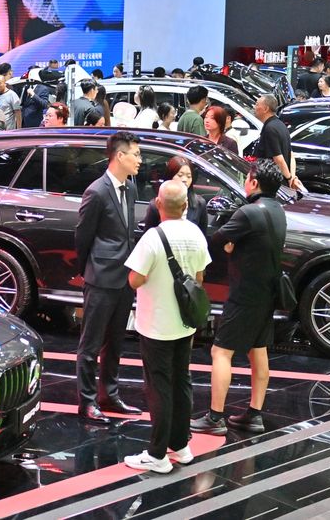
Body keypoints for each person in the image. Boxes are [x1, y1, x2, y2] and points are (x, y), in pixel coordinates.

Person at [192, 161, 286, 436]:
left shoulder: (248, 212)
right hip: (267, 292)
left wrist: (231, 245)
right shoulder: (278, 210)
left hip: (244, 293)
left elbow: (217, 239)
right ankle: (254, 415)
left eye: (247, 178)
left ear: (254, 182)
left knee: (221, 352)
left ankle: (215, 417)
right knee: (258, 350)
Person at [123, 180, 209, 474]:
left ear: (158, 204)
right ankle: (181, 446)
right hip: (185, 324)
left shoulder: (152, 238)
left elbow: (134, 279)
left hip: (156, 324)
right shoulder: (196, 233)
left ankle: (157, 454)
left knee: (158, 386)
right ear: (185, 206)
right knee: (182, 381)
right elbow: (199, 277)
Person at [75, 131, 144, 422]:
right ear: (120, 155)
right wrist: (89, 271)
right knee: (91, 344)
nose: (140, 160)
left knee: (115, 342)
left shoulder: (130, 188)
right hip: (101, 278)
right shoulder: (97, 191)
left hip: (124, 278)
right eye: (136, 154)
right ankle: (87, 401)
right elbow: (83, 237)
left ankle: (109, 394)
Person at [142, 156, 209, 235]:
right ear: (170, 176)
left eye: (189, 176)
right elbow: (148, 235)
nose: (185, 180)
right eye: (180, 175)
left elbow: (202, 235)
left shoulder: (199, 203)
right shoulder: (156, 205)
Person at [253, 96, 303, 191]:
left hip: (274, 182)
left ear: (265, 109)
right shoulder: (281, 124)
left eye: (257, 104)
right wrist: (292, 176)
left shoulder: (270, 129)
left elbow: (278, 159)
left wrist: (289, 179)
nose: (254, 107)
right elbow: (291, 155)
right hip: (282, 179)